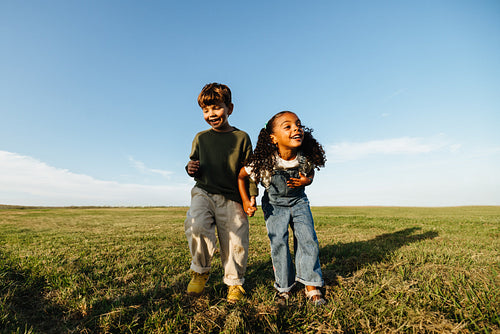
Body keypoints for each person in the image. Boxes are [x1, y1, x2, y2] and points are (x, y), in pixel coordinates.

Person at [238, 111, 327, 306]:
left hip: (299, 202)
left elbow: (310, 173)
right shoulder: (264, 160)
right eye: (287, 126)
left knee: (307, 238)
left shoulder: (304, 156)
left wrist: (307, 181)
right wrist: (246, 200)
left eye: (298, 124)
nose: (296, 128)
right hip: (274, 204)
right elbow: (241, 176)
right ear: (273, 138)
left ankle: (311, 284)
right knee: (279, 242)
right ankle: (284, 286)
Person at [184, 82, 258, 303]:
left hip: (232, 196)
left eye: (216, 107)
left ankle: (234, 283)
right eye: (205, 110)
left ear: (230, 108)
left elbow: (249, 168)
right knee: (196, 225)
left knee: (236, 239)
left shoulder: (242, 137)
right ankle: (200, 271)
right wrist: (190, 168)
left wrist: (251, 195)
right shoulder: (201, 138)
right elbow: (193, 163)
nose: (211, 114)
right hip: (204, 191)